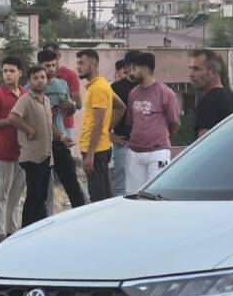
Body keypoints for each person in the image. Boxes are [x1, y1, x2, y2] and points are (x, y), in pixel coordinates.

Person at [7, 66, 62, 227]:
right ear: (30, 81)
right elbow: (13, 118)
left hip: (46, 155)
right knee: (34, 195)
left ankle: (40, 228)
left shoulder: (45, 100)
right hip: (32, 156)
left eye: (43, 77)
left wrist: (62, 136)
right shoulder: (25, 99)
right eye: (36, 78)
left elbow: (49, 124)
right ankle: (26, 229)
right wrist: (29, 130)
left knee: (42, 196)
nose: (40, 80)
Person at [0, 56, 26, 246]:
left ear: (20, 73)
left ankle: (12, 231)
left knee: (16, 195)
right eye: (5, 71)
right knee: (0, 194)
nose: (8, 74)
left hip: (22, 152)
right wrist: (9, 121)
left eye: (11, 71)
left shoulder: (25, 94)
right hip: (2, 152)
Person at [36, 49, 86, 212]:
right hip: (41, 143)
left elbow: (70, 111)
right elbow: (41, 119)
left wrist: (70, 107)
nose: (50, 69)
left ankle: (82, 216)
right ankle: (43, 220)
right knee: (42, 187)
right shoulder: (31, 87)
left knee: (71, 183)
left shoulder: (62, 84)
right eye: (47, 65)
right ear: (40, 66)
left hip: (59, 143)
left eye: (53, 65)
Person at [126, 51, 180, 193]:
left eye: (134, 68)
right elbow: (131, 122)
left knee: (156, 193)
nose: (131, 72)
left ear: (145, 70)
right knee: (133, 195)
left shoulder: (166, 93)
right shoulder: (133, 93)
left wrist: (162, 140)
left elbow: (174, 123)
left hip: (158, 152)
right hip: (134, 151)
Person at [75, 49, 125, 203]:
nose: (78, 67)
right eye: (77, 63)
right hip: (97, 148)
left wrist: (90, 155)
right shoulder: (101, 85)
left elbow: (97, 124)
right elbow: (121, 106)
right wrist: (107, 129)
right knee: (104, 195)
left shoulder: (99, 88)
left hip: (95, 151)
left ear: (94, 64)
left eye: (81, 63)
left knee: (98, 197)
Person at [189, 49, 233, 138]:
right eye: (190, 68)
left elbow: (204, 144)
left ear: (213, 72)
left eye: (196, 69)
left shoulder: (208, 102)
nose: (190, 74)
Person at [109, 56, 137, 197]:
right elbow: (104, 115)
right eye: (131, 66)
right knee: (120, 183)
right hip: (123, 141)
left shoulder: (148, 87)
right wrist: (109, 135)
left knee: (140, 183)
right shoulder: (115, 88)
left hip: (145, 144)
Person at [43, 43, 83, 135]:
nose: (50, 57)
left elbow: (79, 104)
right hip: (43, 125)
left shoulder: (70, 75)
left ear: (59, 55)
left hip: (64, 125)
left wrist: (70, 104)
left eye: (53, 55)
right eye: (47, 55)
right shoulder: (38, 77)